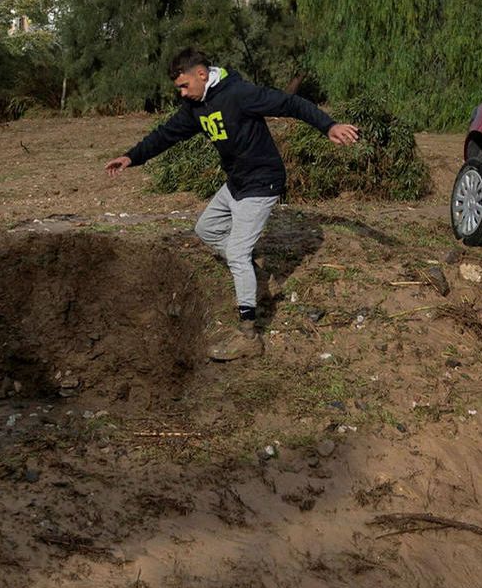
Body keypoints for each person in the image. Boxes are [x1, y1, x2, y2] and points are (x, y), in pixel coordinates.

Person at [104, 49, 360, 360]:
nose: (182, 93)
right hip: (237, 181)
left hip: (262, 181)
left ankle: (249, 335)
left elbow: (290, 103)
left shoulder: (240, 94)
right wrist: (132, 156)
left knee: (238, 252)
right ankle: (255, 277)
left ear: (201, 74)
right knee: (207, 228)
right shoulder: (195, 106)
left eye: (184, 85)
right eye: (179, 89)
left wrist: (328, 126)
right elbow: (166, 134)